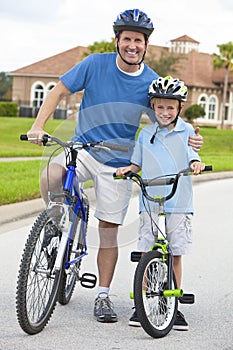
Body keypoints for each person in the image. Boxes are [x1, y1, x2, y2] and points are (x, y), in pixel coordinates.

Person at [26, 9, 203, 323]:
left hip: (119, 163)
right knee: (51, 174)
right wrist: (39, 126)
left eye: (138, 40)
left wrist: (189, 138)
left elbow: (165, 116)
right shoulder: (95, 64)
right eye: (127, 39)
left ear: (146, 45)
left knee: (108, 230)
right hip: (83, 149)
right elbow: (58, 91)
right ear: (117, 41)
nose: (132, 45)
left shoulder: (150, 81)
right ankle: (57, 225)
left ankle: (103, 295)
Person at [116, 75, 205, 330]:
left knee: (175, 251)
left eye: (170, 107)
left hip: (178, 199)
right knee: (146, 249)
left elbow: (192, 155)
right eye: (160, 107)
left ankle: (173, 306)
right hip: (150, 198)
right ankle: (141, 304)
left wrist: (196, 163)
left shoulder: (186, 130)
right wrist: (128, 170)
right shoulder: (145, 133)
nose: (165, 112)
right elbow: (137, 163)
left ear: (179, 108)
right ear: (152, 107)